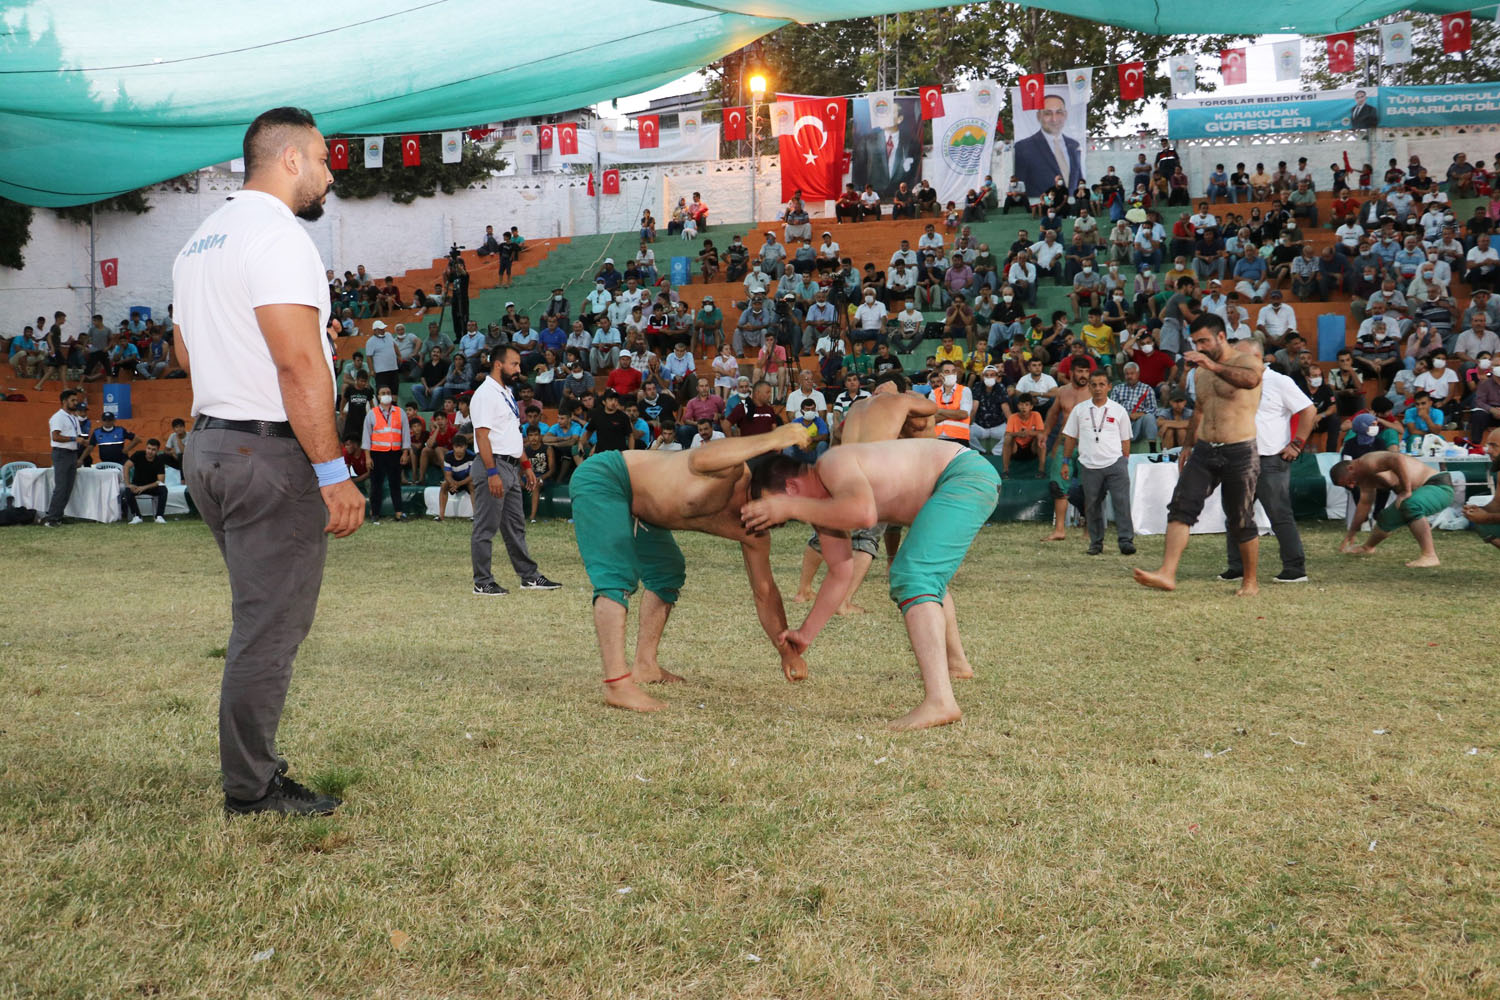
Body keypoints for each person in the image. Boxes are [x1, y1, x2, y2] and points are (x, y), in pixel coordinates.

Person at [173, 107, 364, 816]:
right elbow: (296, 363)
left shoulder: (199, 240)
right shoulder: (278, 236)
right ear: (288, 159)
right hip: (267, 452)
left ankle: (251, 773)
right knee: (268, 624)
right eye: (320, 159)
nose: (327, 172)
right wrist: (332, 471)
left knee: (259, 614)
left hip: (211, 445)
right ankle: (251, 789)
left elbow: (187, 354)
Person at [742, 437, 999, 731]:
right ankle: (955, 665)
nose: (785, 519)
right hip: (961, 480)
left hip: (963, 475)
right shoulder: (825, 509)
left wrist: (791, 507)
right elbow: (840, 571)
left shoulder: (832, 463)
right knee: (927, 573)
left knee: (914, 575)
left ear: (790, 489)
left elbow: (864, 513)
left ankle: (940, 701)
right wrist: (805, 634)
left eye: (774, 508)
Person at [571, 422, 815, 712]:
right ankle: (617, 685)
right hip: (608, 478)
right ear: (762, 489)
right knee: (616, 577)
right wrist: (775, 437)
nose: (775, 522)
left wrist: (786, 652)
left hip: (646, 511)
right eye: (777, 510)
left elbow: (765, 592)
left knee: (667, 570)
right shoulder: (731, 472)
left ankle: (645, 666)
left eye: (784, 520)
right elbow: (702, 456)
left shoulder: (755, 531)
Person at [1134, 314, 1265, 597]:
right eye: (1196, 342)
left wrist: (1211, 364)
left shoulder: (1246, 361)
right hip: (1205, 449)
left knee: (1240, 518)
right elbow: (1202, 410)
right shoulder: (1201, 372)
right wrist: (1189, 445)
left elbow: (1251, 380)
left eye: (1204, 340)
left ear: (1220, 337)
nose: (1200, 346)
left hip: (1239, 450)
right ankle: (1167, 574)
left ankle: (1250, 581)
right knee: (1181, 506)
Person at [1218, 341, 1315, 585]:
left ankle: (1295, 568)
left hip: (1271, 459)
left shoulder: (1279, 382)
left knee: (1279, 513)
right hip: (1238, 458)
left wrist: (1296, 444)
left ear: (1258, 356)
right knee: (1235, 515)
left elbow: (1308, 411)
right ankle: (1237, 566)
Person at [469, 344, 560, 595]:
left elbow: (511, 434)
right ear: (498, 364)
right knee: (485, 527)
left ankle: (529, 576)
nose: (519, 369)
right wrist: (491, 473)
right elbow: (482, 436)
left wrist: (527, 465)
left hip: (510, 465)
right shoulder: (485, 394)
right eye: (514, 364)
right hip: (493, 464)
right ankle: (482, 581)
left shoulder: (506, 392)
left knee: (515, 526)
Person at [1334, 452, 1453, 567]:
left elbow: (1397, 458)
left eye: (1349, 481)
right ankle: (1367, 547)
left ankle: (1430, 556)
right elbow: (1364, 504)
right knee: (1386, 518)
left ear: (1350, 468)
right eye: (1347, 485)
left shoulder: (1367, 462)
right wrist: (1352, 532)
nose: (1351, 486)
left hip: (1439, 485)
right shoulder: (1364, 478)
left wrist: (1406, 490)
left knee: (1410, 504)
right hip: (1422, 491)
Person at [1061, 370, 1134, 555]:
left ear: (1109, 387)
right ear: (1089, 387)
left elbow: (1126, 439)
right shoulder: (1080, 409)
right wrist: (1065, 462)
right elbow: (1070, 437)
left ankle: (1125, 540)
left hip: (1115, 463)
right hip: (1089, 465)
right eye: (1094, 385)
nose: (1098, 388)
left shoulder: (1118, 410)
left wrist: (1124, 461)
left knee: (1121, 503)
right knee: (1092, 505)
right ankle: (1096, 543)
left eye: (1102, 384)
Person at [1014, 95, 1082, 208]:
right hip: (1044, 206)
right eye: (1048, 113)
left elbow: (1078, 179)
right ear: (1038, 116)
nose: (1054, 119)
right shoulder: (1023, 147)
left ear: (1065, 115)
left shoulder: (1074, 145)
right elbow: (1020, 184)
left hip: (1071, 206)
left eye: (1059, 112)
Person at [361, 383, 412, 522]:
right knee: (376, 485)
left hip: (395, 453)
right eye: (383, 393)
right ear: (378, 396)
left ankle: (398, 513)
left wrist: (405, 453)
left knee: (395, 484)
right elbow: (366, 437)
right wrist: (367, 457)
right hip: (377, 453)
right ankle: (374, 513)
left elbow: (405, 434)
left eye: (388, 392)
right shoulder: (372, 414)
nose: (386, 395)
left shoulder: (400, 412)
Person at [42, 389, 88, 526]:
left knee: (68, 487)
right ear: (64, 401)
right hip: (61, 453)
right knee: (61, 487)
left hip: (72, 454)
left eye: (76, 400)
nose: (75, 403)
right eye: (72, 400)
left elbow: (78, 437)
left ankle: (59, 516)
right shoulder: (58, 417)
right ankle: (51, 518)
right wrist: (74, 438)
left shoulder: (73, 417)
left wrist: (83, 442)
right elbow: (55, 436)